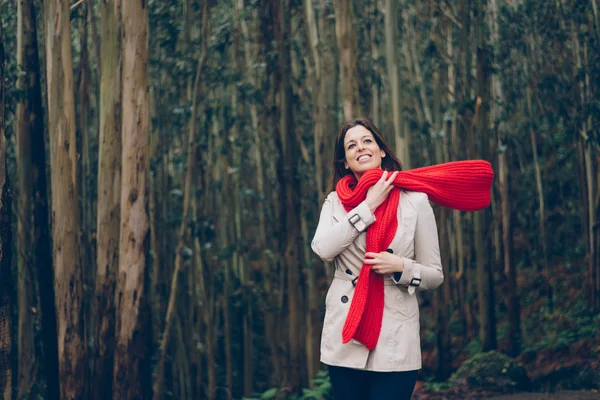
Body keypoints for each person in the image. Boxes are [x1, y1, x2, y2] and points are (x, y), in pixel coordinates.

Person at [311, 118, 443, 400]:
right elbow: (323, 249)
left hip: (396, 334)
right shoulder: (335, 202)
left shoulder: (415, 200)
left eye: (367, 141)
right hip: (346, 335)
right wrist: (367, 206)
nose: (361, 148)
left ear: (382, 150)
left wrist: (402, 267)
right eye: (351, 145)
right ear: (345, 161)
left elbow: (435, 274)